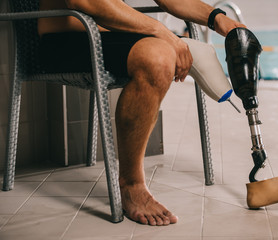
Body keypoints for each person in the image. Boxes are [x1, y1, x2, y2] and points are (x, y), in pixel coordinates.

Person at [38, 0, 245, 226]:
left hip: (108, 35)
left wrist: (218, 18)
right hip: (63, 39)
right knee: (158, 58)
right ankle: (132, 184)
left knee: (163, 52)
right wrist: (163, 32)